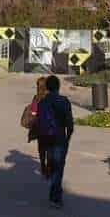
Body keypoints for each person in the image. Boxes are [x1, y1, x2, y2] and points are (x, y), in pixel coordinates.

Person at [36, 75, 74, 209]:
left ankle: (55, 190)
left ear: (47, 87)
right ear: (58, 86)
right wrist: (68, 137)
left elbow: (39, 123)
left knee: (53, 164)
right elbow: (70, 123)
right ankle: (55, 197)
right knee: (59, 167)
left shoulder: (42, 102)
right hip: (59, 138)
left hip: (46, 138)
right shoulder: (64, 101)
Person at [26, 77, 51, 178]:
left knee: (41, 147)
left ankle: (43, 166)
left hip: (40, 126)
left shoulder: (36, 97)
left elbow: (33, 112)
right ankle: (49, 169)